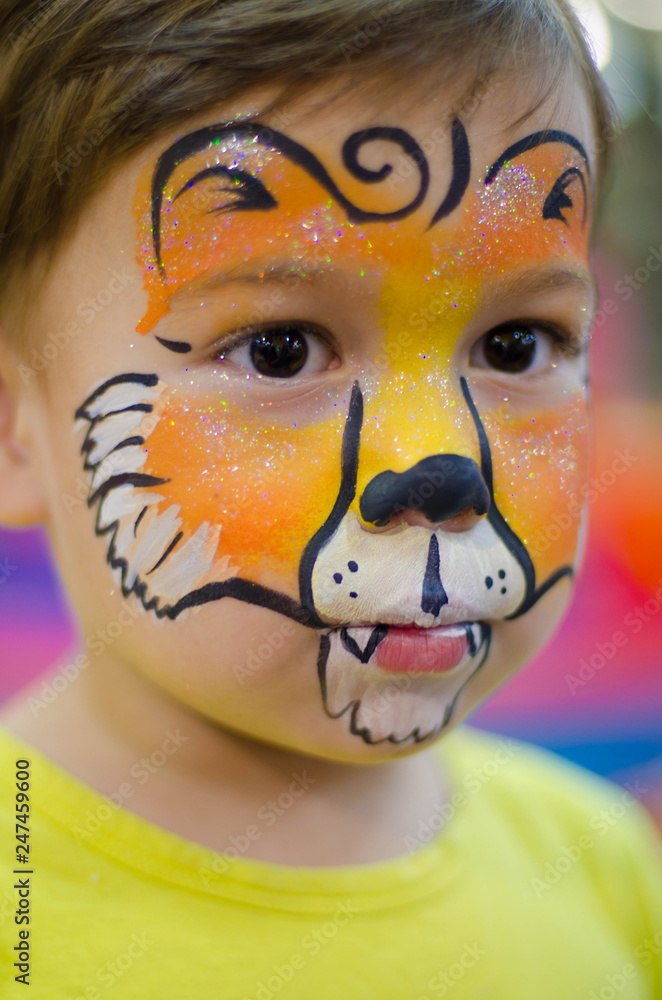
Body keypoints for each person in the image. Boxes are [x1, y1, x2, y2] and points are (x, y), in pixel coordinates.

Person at [0, 0, 660, 996]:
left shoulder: (603, 864)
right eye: (280, 348)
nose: (440, 466)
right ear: (14, 422)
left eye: (515, 344)